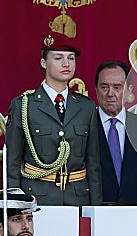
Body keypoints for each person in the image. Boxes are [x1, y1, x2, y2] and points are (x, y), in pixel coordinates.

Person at [5, 32, 102, 206]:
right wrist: (16, 207)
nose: (66, 64)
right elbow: (12, 164)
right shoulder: (24, 105)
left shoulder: (86, 107)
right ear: (43, 63)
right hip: (37, 198)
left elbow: (93, 166)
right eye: (58, 58)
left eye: (71, 58)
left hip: (77, 199)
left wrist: (96, 209)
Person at [95, 60, 137, 204]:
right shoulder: (84, 126)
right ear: (96, 89)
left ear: (129, 90)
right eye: (104, 87)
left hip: (136, 213)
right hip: (96, 212)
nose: (110, 94)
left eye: (117, 87)